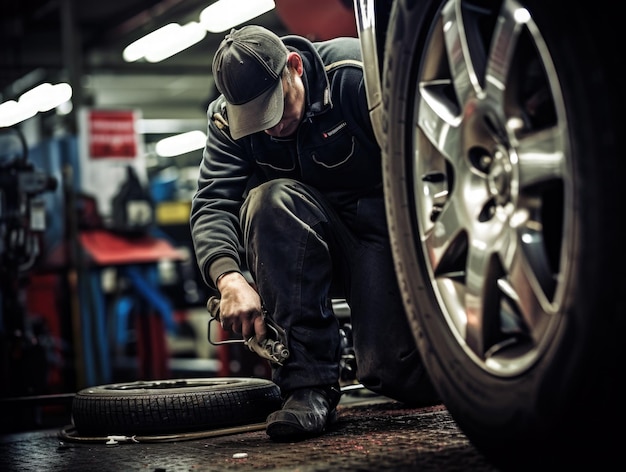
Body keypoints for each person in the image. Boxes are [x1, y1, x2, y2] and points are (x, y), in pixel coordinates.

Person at [190, 24, 438, 441]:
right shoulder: (226, 122)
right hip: (304, 241)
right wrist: (228, 277)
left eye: (275, 109)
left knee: (393, 374)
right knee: (268, 200)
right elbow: (214, 202)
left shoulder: (358, 76)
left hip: (389, 233)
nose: (269, 130)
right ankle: (307, 387)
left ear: (294, 67)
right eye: (255, 120)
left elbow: (427, 165)